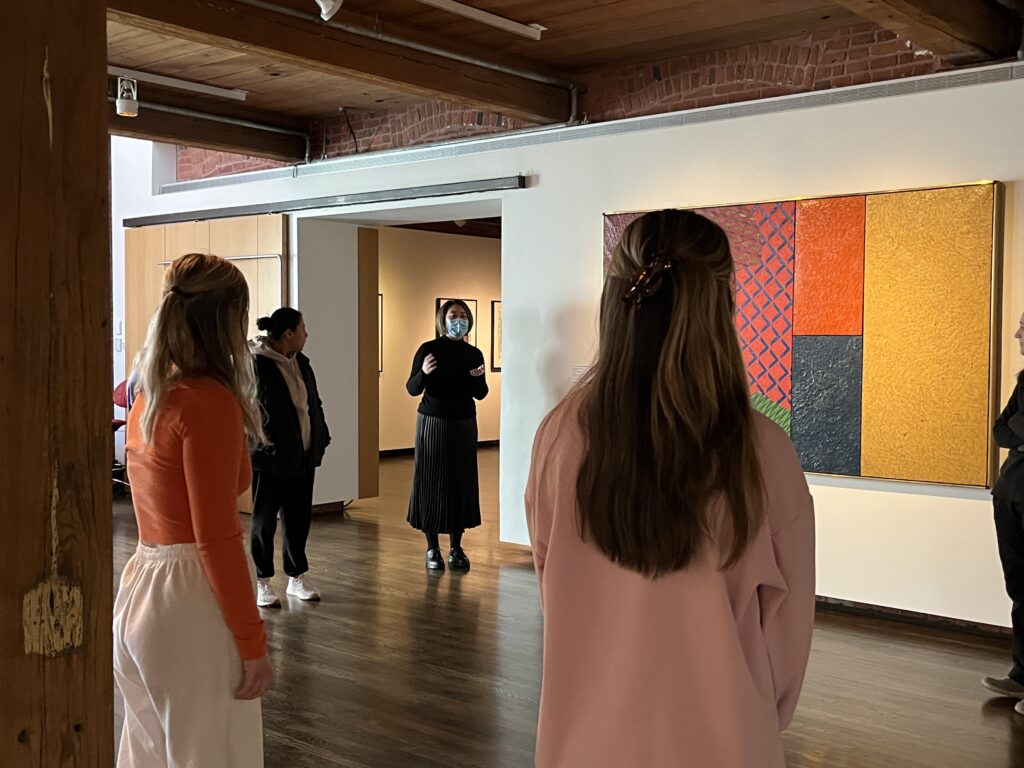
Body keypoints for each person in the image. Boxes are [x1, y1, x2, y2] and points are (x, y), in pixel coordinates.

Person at [525, 210, 816, 768]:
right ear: (723, 307)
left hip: (582, 740)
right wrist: (753, 710)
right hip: (724, 739)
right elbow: (787, 634)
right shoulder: (761, 451)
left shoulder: (558, 435)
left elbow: (550, 581)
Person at [114, 253, 272, 767]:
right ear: (228, 322)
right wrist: (252, 640)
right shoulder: (207, 402)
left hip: (141, 584)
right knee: (212, 753)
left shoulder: (152, 396)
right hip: (190, 599)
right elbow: (216, 538)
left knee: (148, 753)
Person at [250, 308, 331, 607]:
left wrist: (322, 434)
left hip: (303, 455)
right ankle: (263, 581)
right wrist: (265, 444)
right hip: (270, 458)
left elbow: (313, 402)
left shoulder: (302, 362)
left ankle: (297, 575)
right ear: (288, 334)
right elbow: (252, 411)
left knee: (298, 519)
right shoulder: (256, 364)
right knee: (264, 521)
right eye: (303, 329)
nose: (306, 334)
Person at [406, 299, 488, 571]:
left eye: (463, 314)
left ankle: (456, 547)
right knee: (431, 481)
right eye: (454, 314)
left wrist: (477, 377)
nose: (459, 318)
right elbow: (412, 388)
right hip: (433, 422)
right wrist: (424, 373)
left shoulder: (474, 353)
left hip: (464, 422)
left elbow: (481, 393)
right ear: (443, 319)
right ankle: (432, 548)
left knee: (460, 482)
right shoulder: (429, 349)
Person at [983, 310, 1024, 713]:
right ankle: (1021, 675)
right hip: (1011, 492)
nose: (1016, 334)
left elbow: (1014, 430)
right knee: (1020, 589)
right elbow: (1002, 431)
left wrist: (1018, 432)